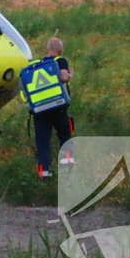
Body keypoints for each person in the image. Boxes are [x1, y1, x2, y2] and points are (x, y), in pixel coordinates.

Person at [32, 37, 74, 178]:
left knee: (43, 140)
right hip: (58, 108)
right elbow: (63, 77)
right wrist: (70, 74)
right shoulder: (60, 61)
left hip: (40, 109)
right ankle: (67, 168)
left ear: (47, 49)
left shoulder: (38, 64)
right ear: (60, 50)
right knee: (65, 136)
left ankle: (44, 171)